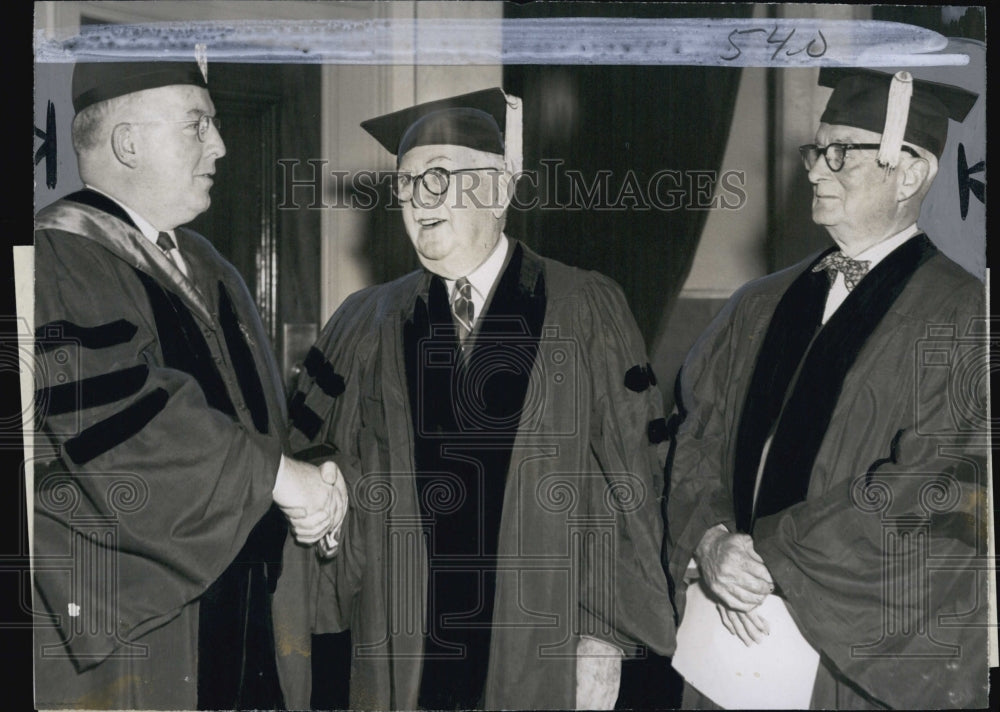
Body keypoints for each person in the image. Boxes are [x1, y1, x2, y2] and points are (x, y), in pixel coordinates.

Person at [273, 88, 676, 710]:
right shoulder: (364, 320)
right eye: (407, 186)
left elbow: (630, 480)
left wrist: (605, 635)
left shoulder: (585, 306)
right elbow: (319, 460)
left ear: (499, 191)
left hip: (541, 641)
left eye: (439, 178)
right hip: (400, 647)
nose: (419, 203)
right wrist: (329, 521)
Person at [666, 67, 988, 709]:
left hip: (845, 653)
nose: (815, 170)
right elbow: (693, 433)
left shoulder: (963, 313)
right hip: (727, 633)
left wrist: (765, 555)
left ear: (910, 173)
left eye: (840, 153)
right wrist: (709, 538)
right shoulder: (759, 303)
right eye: (817, 150)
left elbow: (931, 481)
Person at [32, 59, 346, 710]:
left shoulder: (209, 267)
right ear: (128, 142)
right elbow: (124, 426)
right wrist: (280, 478)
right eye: (198, 124)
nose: (221, 145)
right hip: (143, 630)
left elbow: (257, 424)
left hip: (241, 613)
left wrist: (317, 480)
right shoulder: (59, 256)